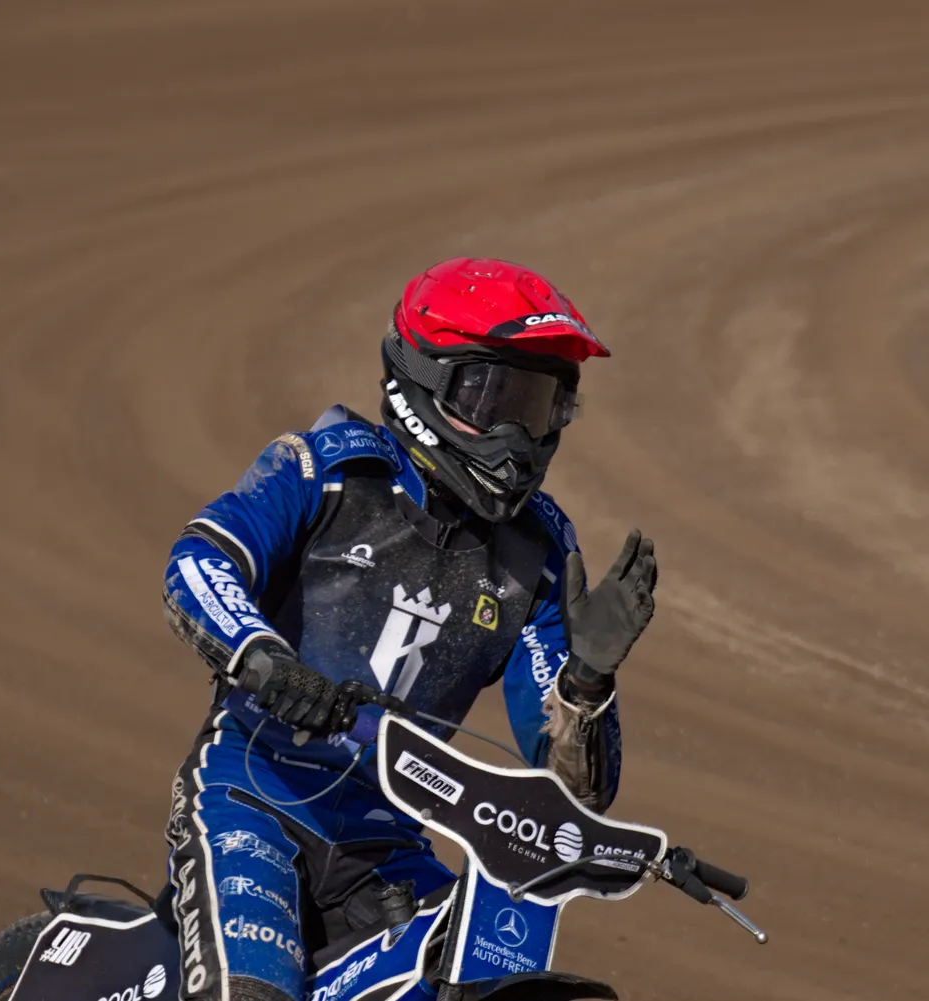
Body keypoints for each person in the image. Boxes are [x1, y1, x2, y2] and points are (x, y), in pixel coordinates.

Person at [160, 257, 659, 1001]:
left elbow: (575, 798)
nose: (517, 437)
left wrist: (587, 683)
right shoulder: (325, 471)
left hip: (387, 839)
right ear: (421, 380)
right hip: (253, 794)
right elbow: (199, 560)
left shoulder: (541, 557)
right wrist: (265, 660)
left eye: (539, 405)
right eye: (494, 397)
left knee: (481, 975)